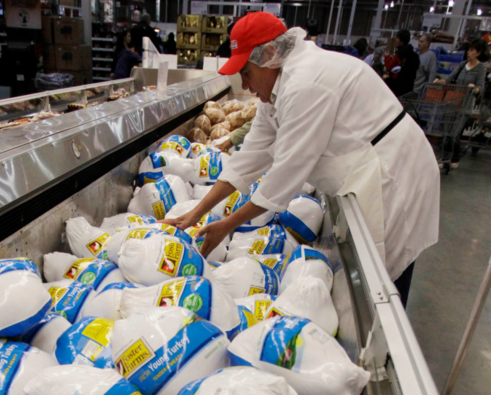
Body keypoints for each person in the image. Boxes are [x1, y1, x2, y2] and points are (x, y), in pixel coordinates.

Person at [162, 12, 439, 307]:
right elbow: (248, 159)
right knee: (373, 278)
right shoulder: (277, 89)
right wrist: (198, 212)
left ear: (269, 55)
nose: (245, 85)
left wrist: (226, 225)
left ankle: (387, 351)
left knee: (384, 284)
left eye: (247, 72)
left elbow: (284, 178)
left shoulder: (306, 82)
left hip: (392, 172)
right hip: (366, 167)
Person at [434, 38, 489, 169]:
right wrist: (439, 81)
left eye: (472, 50)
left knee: (455, 133)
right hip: (454, 102)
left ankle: (455, 157)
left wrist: (474, 88)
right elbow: (449, 78)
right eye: (468, 50)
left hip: (466, 105)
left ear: (478, 52)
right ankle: (444, 158)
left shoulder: (481, 68)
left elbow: (480, 87)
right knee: (447, 133)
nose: (468, 52)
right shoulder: (463, 64)